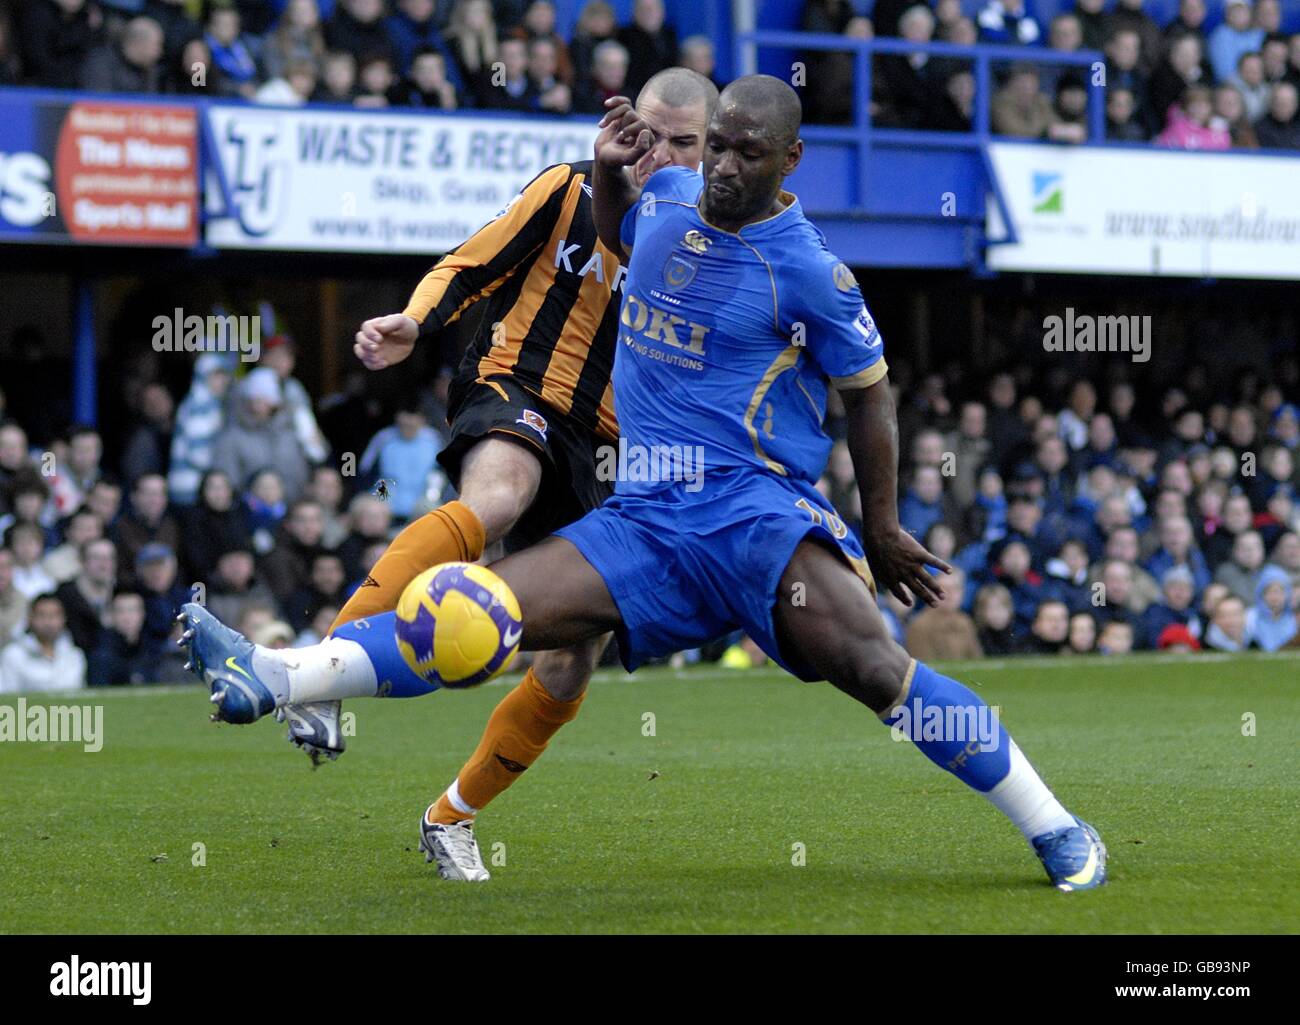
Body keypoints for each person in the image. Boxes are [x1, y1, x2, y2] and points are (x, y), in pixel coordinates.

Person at [182, 75, 1106, 894]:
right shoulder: (664, 193)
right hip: (644, 520)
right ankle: (279, 674)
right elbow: (621, 234)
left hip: (755, 516)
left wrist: (885, 525)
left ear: (789, 159)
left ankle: (1056, 826)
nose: (725, 169)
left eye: (747, 153)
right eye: (720, 148)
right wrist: (614, 179)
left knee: (875, 669)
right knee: (477, 613)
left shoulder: (812, 272)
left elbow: (874, 401)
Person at [186, 68, 720, 765]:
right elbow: (472, 264)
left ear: (711, 149)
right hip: (518, 387)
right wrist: (414, 318)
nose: (665, 156)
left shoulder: (711, 241)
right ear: (624, 128)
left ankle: (453, 816)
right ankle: (320, 670)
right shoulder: (566, 188)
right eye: (650, 136)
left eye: (686, 143)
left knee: (566, 654)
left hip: (607, 446)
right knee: (498, 497)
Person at [0, 593, 87, 693]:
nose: (48, 622)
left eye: (54, 616)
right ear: (30, 618)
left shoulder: (75, 656)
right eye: (41, 615)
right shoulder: (12, 655)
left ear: (64, 619)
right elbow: (6, 697)